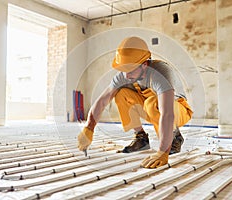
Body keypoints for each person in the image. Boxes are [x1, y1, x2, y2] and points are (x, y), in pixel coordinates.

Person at [78, 36, 193, 169]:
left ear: (144, 64)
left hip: (176, 110)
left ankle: (175, 137)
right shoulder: (125, 74)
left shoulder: (161, 73)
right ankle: (141, 138)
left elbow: (167, 113)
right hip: (151, 107)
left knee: (152, 103)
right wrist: (89, 128)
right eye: (123, 69)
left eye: (130, 70)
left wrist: (163, 151)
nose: (126, 76)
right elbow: (102, 100)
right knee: (121, 94)